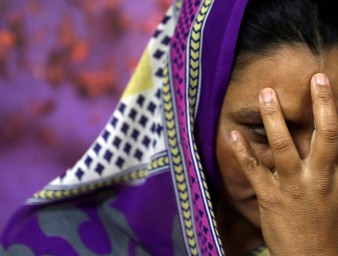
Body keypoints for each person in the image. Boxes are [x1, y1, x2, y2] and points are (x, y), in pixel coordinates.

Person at [1, 0, 338, 255]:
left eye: (333, 129)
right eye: (265, 130)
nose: (309, 169)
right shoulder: (58, 245)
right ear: (189, 119)